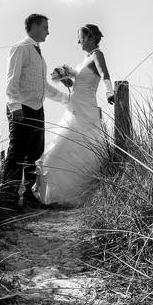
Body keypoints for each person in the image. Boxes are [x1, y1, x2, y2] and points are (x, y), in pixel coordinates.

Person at [33, 24, 115, 207]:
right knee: (62, 149)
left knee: (81, 149)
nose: (79, 41)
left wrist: (109, 92)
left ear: (91, 37)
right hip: (74, 108)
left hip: (86, 110)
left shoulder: (97, 55)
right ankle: (59, 196)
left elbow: (104, 74)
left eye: (82, 38)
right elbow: (76, 85)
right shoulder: (85, 59)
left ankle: (83, 193)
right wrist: (66, 80)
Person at [2, 13, 69, 210]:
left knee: (35, 156)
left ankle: (31, 199)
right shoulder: (20, 48)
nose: (48, 31)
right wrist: (15, 106)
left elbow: (44, 88)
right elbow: (12, 80)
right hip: (22, 109)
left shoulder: (39, 54)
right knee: (17, 155)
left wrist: (67, 99)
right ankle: (7, 200)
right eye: (45, 27)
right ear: (34, 27)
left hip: (38, 110)